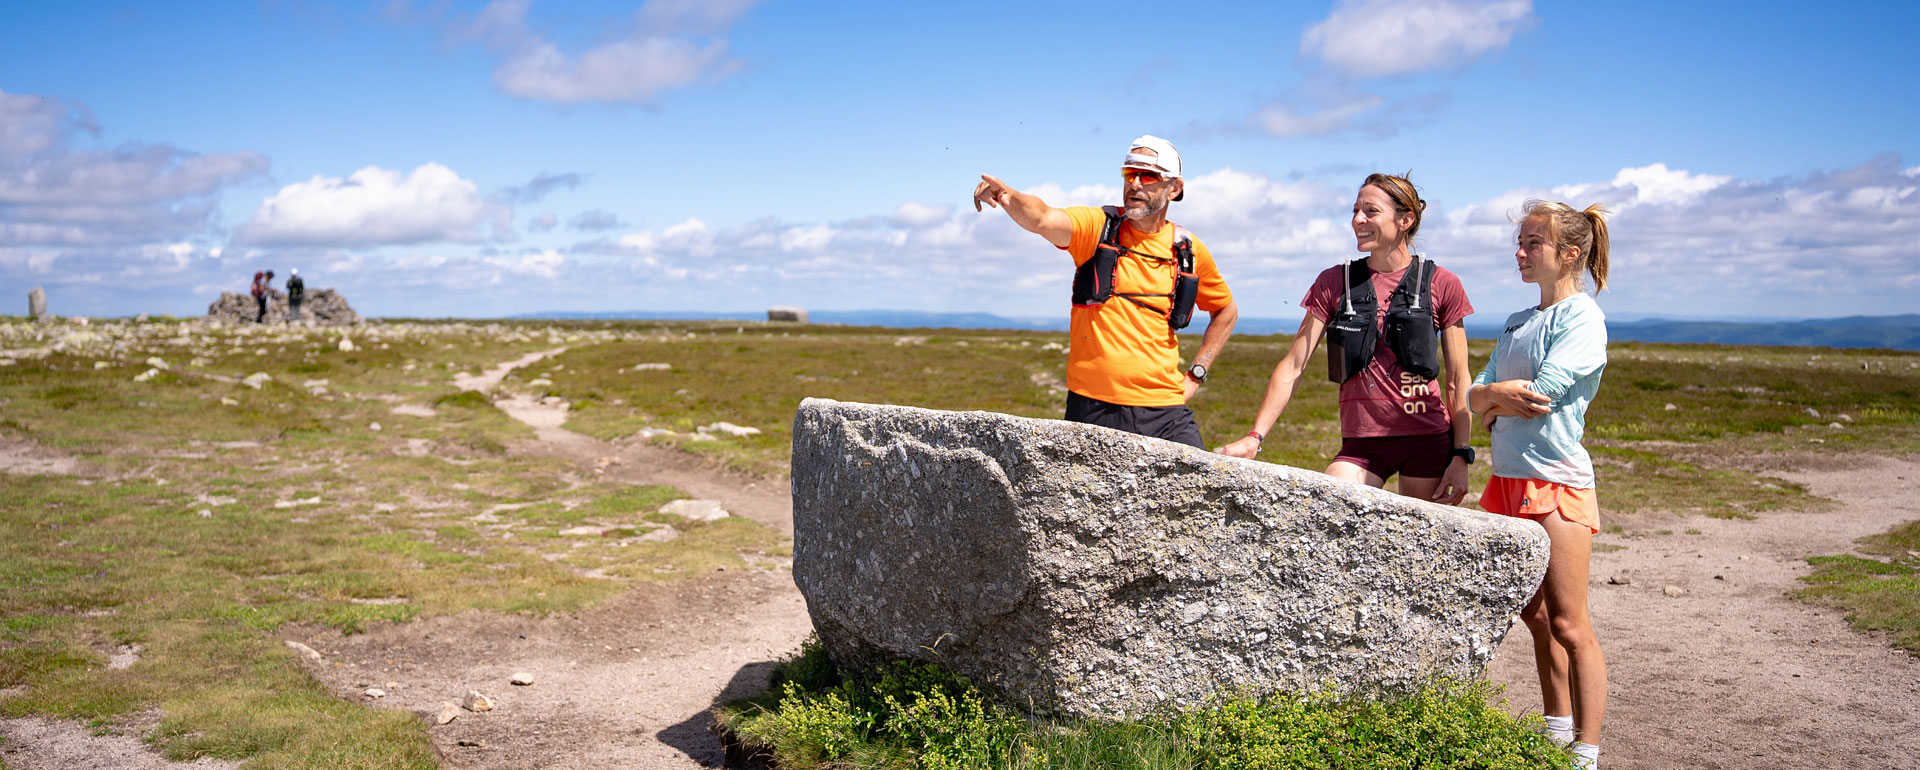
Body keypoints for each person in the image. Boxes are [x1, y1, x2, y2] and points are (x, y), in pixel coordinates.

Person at [1217, 174, 1474, 505]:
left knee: (1423, 534)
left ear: (1406, 220)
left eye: (1371, 211)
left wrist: (1461, 455)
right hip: (1362, 443)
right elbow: (1294, 365)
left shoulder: (1442, 283)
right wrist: (1255, 437)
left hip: (1428, 439)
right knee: (1332, 506)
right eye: (1355, 210)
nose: (1357, 220)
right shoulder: (1334, 282)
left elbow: (1458, 378)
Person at [972, 135, 1238, 448]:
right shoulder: (1098, 228)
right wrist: (1006, 195)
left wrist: (1195, 374)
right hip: (1094, 408)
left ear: (1174, 188)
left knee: (1198, 480)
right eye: (1129, 173)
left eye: (1148, 176)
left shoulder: (1188, 250)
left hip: (1167, 410)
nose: (1134, 184)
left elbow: (1226, 311)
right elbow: (1042, 217)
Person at [1470, 200, 1611, 770]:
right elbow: (1475, 396)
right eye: (1520, 242)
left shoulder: (1582, 318)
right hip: (1507, 482)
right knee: (1534, 618)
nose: (1520, 252)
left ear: (1569, 253)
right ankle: (1555, 734)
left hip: (1557, 483)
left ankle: (1586, 753)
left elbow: (1541, 395)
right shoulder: (1516, 320)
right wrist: (1492, 398)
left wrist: (1492, 400)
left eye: (1533, 243)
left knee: (1571, 624)